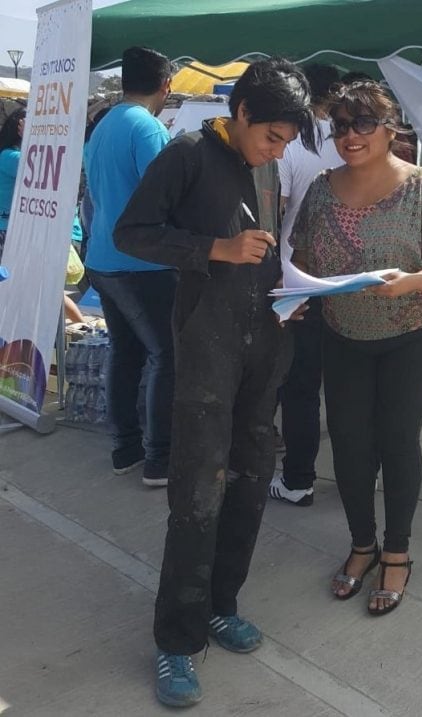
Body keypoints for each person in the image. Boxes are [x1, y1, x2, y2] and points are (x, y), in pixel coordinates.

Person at [113, 57, 317, 708]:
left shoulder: (267, 165)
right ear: (242, 112)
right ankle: (176, 640)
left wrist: (291, 291)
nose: (278, 152)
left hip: (265, 340)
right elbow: (131, 233)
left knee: (253, 480)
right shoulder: (187, 154)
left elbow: (265, 245)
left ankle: (222, 605)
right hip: (206, 349)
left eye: (287, 143)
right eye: (273, 138)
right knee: (198, 495)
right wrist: (212, 249)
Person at [290, 81, 422, 616]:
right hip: (344, 333)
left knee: (395, 438)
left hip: (416, 331)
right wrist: (296, 295)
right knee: (348, 444)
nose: (351, 136)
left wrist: (411, 282)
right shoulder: (321, 188)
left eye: (364, 123)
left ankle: (397, 551)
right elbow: (303, 261)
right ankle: (361, 544)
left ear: (390, 129)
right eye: (341, 126)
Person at [84, 46, 174, 487]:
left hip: (103, 258)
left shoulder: (103, 126)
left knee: (126, 352)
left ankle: (125, 448)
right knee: (166, 355)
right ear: (166, 85)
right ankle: (160, 458)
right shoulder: (148, 128)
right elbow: (166, 196)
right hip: (142, 264)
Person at [269, 63, 343, 507]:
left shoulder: (292, 144)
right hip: (349, 281)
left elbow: (273, 213)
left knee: (297, 387)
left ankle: (298, 480)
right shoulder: (356, 140)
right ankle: (362, 477)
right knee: (347, 385)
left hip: (295, 280)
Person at [0, 108, 87, 319]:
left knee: (40, 291)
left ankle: (81, 327)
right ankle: (82, 327)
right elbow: (44, 168)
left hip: (23, 233)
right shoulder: (10, 156)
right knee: (35, 291)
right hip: (12, 234)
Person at [0, 108, 25, 261]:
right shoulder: (11, 157)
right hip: (5, 228)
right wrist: (31, 138)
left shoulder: (6, 154)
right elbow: (38, 167)